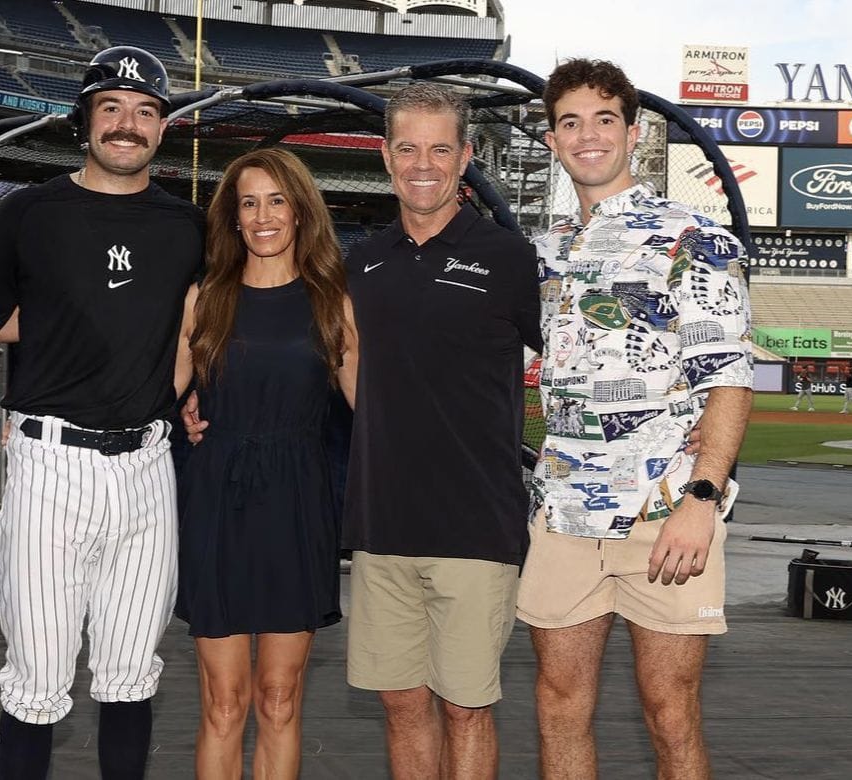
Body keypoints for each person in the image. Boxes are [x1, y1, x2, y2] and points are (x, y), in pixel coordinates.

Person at [184, 83, 542, 777]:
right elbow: (333, 382)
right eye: (407, 148)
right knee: (401, 707)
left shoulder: (508, 259)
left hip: (473, 524)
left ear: (467, 156)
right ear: (384, 157)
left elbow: (570, 362)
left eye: (440, 148)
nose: (423, 163)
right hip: (378, 530)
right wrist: (188, 410)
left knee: (466, 708)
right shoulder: (359, 270)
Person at [517, 59, 753, 780]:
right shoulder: (544, 251)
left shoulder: (692, 236)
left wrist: (702, 501)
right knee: (559, 707)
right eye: (570, 122)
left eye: (604, 119)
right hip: (564, 512)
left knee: (670, 712)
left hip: (665, 514)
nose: (587, 135)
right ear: (553, 140)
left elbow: (731, 377)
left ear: (633, 131)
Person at [0, 45, 204, 780]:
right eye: (111, 108)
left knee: (131, 670)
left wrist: (192, 389)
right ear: (85, 120)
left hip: (147, 464)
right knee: (38, 674)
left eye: (145, 112)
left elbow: (193, 328)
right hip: (50, 460)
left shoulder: (188, 226)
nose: (127, 124)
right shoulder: (27, 211)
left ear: (163, 129)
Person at [174, 148, 358, 778]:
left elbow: (378, 410)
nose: (262, 216)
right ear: (232, 219)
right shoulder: (205, 299)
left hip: (297, 507)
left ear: (302, 212)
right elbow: (156, 394)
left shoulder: (332, 302)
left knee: (279, 698)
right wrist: (180, 413)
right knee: (224, 702)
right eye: (248, 203)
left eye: (276, 200)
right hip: (216, 505)